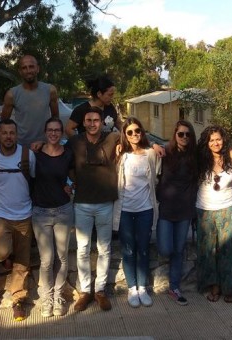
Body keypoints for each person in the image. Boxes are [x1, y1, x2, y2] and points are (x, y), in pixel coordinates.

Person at [67, 107, 120, 313]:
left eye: (96, 120)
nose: (92, 123)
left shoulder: (113, 137)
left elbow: (134, 137)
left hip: (105, 202)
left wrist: (158, 148)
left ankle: (100, 290)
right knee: (83, 248)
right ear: (83, 122)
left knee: (105, 248)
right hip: (82, 203)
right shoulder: (75, 141)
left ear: (102, 122)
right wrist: (73, 179)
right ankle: (85, 291)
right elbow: (64, 160)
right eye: (88, 120)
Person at [0, 118, 36, 321]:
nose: (8, 137)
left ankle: (18, 300)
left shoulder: (28, 155)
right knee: (2, 251)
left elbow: (33, 179)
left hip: (24, 214)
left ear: (17, 135)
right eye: (4, 133)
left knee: (22, 261)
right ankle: (7, 258)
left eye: (12, 133)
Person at [113, 117, 160, 308]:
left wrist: (157, 146)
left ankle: (142, 287)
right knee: (128, 249)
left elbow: (156, 176)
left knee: (143, 248)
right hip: (125, 209)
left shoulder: (150, 153)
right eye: (130, 132)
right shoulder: (120, 155)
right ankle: (132, 287)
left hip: (145, 209)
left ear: (142, 132)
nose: (134, 135)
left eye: (137, 131)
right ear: (124, 134)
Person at [32, 117, 75, 317]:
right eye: (50, 129)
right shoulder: (36, 153)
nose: (54, 133)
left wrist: (71, 187)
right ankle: (47, 298)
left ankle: (58, 296)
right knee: (46, 260)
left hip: (63, 211)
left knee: (62, 257)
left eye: (57, 130)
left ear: (62, 133)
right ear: (45, 131)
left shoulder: (68, 154)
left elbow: (75, 175)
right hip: (41, 213)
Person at [196, 126, 232, 303]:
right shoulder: (200, 159)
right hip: (205, 210)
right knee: (209, 251)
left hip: (228, 208)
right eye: (211, 140)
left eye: (218, 139)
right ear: (206, 143)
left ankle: (229, 287)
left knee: (229, 251)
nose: (215, 143)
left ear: (223, 140)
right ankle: (214, 286)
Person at [156, 120, 198, 306]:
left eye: (187, 134)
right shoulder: (165, 152)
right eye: (180, 134)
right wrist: (154, 144)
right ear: (174, 135)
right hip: (166, 209)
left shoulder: (194, 157)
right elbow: (145, 145)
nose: (184, 137)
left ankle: (174, 287)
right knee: (166, 248)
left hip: (185, 210)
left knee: (179, 250)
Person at [1, 55, 59, 148]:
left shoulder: (50, 90)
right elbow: (3, 123)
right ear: (20, 72)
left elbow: (56, 119)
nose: (28, 71)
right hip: (21, 147)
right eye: (24, 68)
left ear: (38, 69)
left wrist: (53, 142)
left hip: (45, 145)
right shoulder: (11, 94)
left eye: (31, 66)